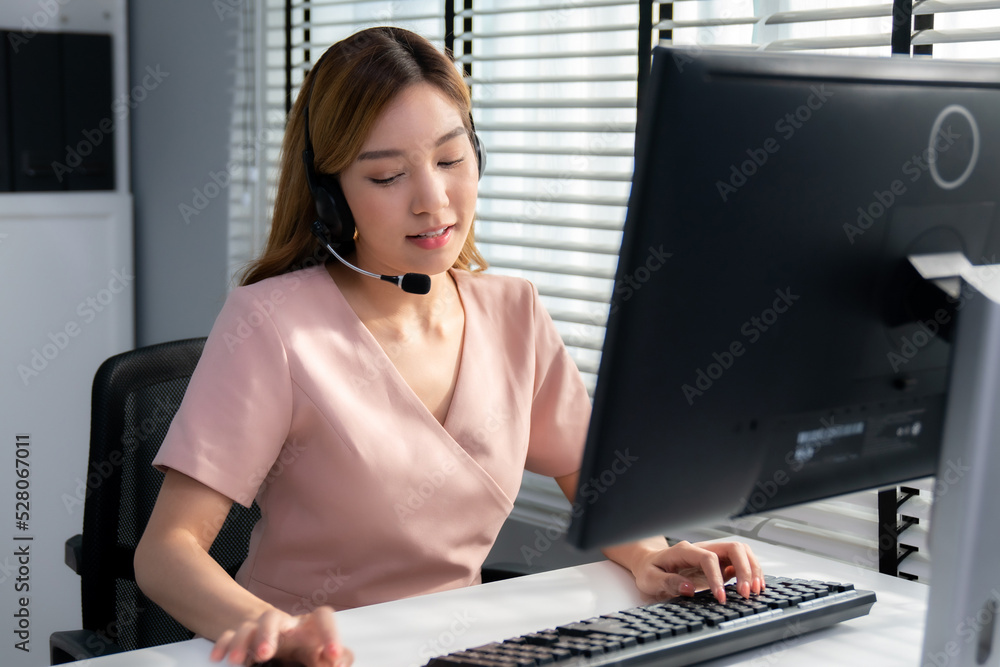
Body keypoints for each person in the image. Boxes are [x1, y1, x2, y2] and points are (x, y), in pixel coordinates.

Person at [133, 26, 763, 667]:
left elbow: (595, 480)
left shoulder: (513, 313)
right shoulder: (272, 324)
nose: (432, 202)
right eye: (386, 176)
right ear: (331, 197)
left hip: (463, 652)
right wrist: (272, 632)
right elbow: (165, 553)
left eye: (450, 160)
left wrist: (650, 554)